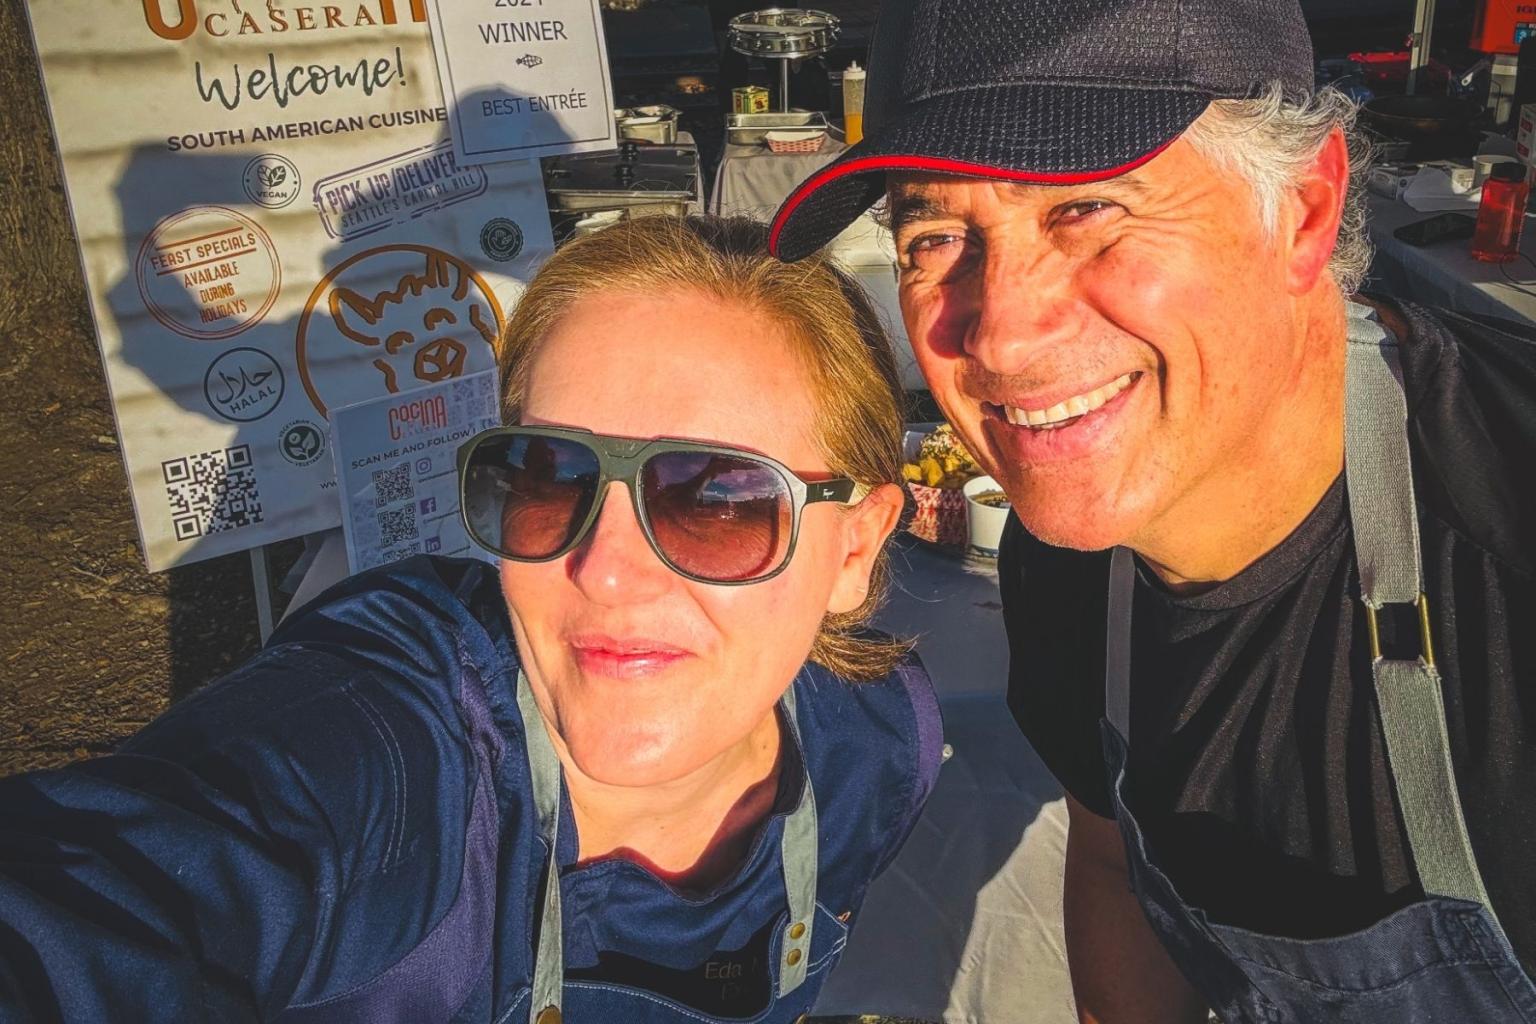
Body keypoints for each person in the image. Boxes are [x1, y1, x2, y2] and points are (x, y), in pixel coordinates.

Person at [769, 0, 1536, 1021]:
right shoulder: (1072, 548)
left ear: (1304, 209)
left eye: (1086, 210)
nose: (999, 335)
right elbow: (1113, 856)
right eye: (937, 236)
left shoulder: (1504, 535)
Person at [0, 215, 942, 1024]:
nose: (604, 573)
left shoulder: (875, 742)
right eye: (548, 478)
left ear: (854, 549)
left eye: (719, 501)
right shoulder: (394, 765)